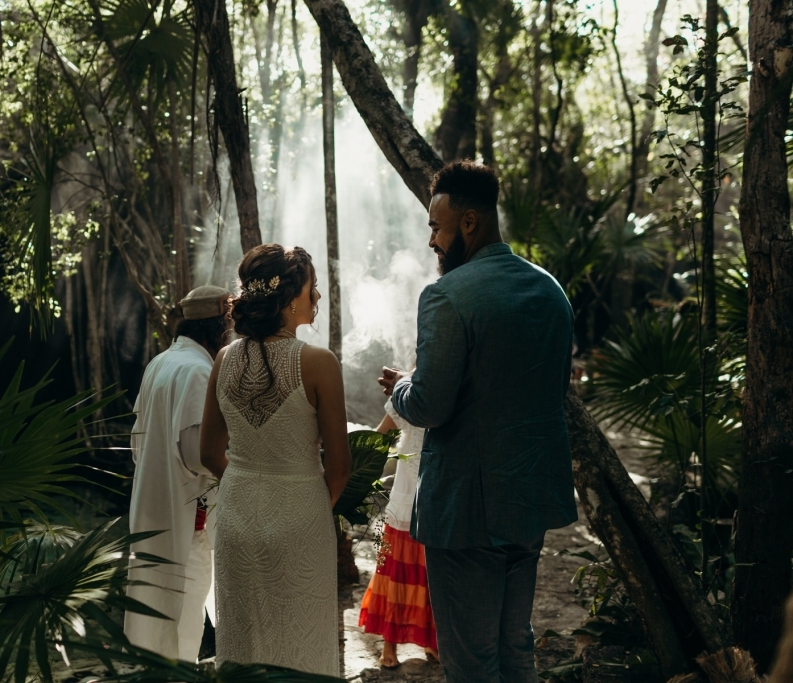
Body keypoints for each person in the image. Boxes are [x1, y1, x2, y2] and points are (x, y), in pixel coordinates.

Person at [379, 161, 577, 683]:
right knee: (515, 648)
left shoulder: (447, 296)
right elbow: (552, 393)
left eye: (435, 227)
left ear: (469, 223)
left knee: (470, 662)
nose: (430, 241)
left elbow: (428, 406)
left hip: (467, 511)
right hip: (528, 502)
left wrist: (403, 385)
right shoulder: (551, 292)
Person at [200, 244, 352, 676]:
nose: (317, 297)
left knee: (243, 643)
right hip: (301, 516)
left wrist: (250, 485)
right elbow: (339, 466)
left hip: (235, 516)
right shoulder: (320, 363)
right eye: (312, 289)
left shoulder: (223, 359)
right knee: (301, 646)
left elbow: (209, 453)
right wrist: (306, 505)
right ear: (288, 299)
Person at [124, 285, 232, 662]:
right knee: (183, 622)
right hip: (188, 519)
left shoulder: (161, 363)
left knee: (155, 614)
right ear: (218, 327)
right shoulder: (199, 370)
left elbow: (138, 441)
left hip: (153, 508)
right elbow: (198, 453)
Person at [358, 388, 439, 669]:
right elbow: (378, 438)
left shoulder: (453, 395)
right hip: (404, 505)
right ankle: (389, 643)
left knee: (433, 575)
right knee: (395, 573)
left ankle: (431, 639)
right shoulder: (406, 397)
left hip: (438, 505)